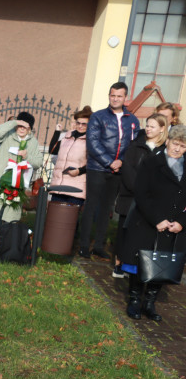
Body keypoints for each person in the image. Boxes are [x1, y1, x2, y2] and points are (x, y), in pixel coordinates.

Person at [120, 123, 186, 322]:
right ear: (167, 142)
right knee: (140, 262)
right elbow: (141, 194)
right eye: (175, 143)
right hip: (148, 221)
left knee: (162, 265)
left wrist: (181, 222)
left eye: (183, 146)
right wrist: (157, 219)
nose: (178, 149)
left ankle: (149, 302)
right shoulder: (151, 162)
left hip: (173, 226)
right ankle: (134, 300)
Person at [82, 82, 140, 260]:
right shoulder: (98, 117)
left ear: (125, 98)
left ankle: (98, 245)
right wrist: (109, 162)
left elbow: (134, 145)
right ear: (109, 96)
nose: (115, 99)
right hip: (97, 168)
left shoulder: (132, 120)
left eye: (119, 96)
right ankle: (84, 246)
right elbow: (92, 143)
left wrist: (121, 161)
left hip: (118, 171)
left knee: (107, 209)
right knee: (91, 206)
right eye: (112, 95)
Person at [112, 113, 168, 277]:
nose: (148, 129)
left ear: (162, 129)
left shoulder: (164, 150)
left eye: (152, 126)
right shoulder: (136, 146)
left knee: (142, 236)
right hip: (130, 197)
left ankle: (135, 266)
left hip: (151, 202)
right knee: (124, 232)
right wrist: (140, 190)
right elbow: (128, 170)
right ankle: (119, 264)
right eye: (147, 125)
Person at [0, 111, 43, 242]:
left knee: (10, 210)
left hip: (17, 182)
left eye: (25, 126)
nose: (21, 129)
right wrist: (14, 122)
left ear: (29, 128)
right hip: (0, 178)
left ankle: (5, 239)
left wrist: (27, 156)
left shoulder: (33, 143)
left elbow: (38, 162)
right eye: (20, 125)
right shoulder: (9, 135)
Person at [47, 107, 92, 205]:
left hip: (75, 188)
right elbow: (52, 150)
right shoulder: (67, 136)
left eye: (84, 124)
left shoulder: (91, 140)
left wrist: (79, 171)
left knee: (70, 218)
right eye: (78, 123)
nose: (80, 126)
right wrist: (57, 132)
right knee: (55, 217)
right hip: (58, 186)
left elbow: (93, 163)